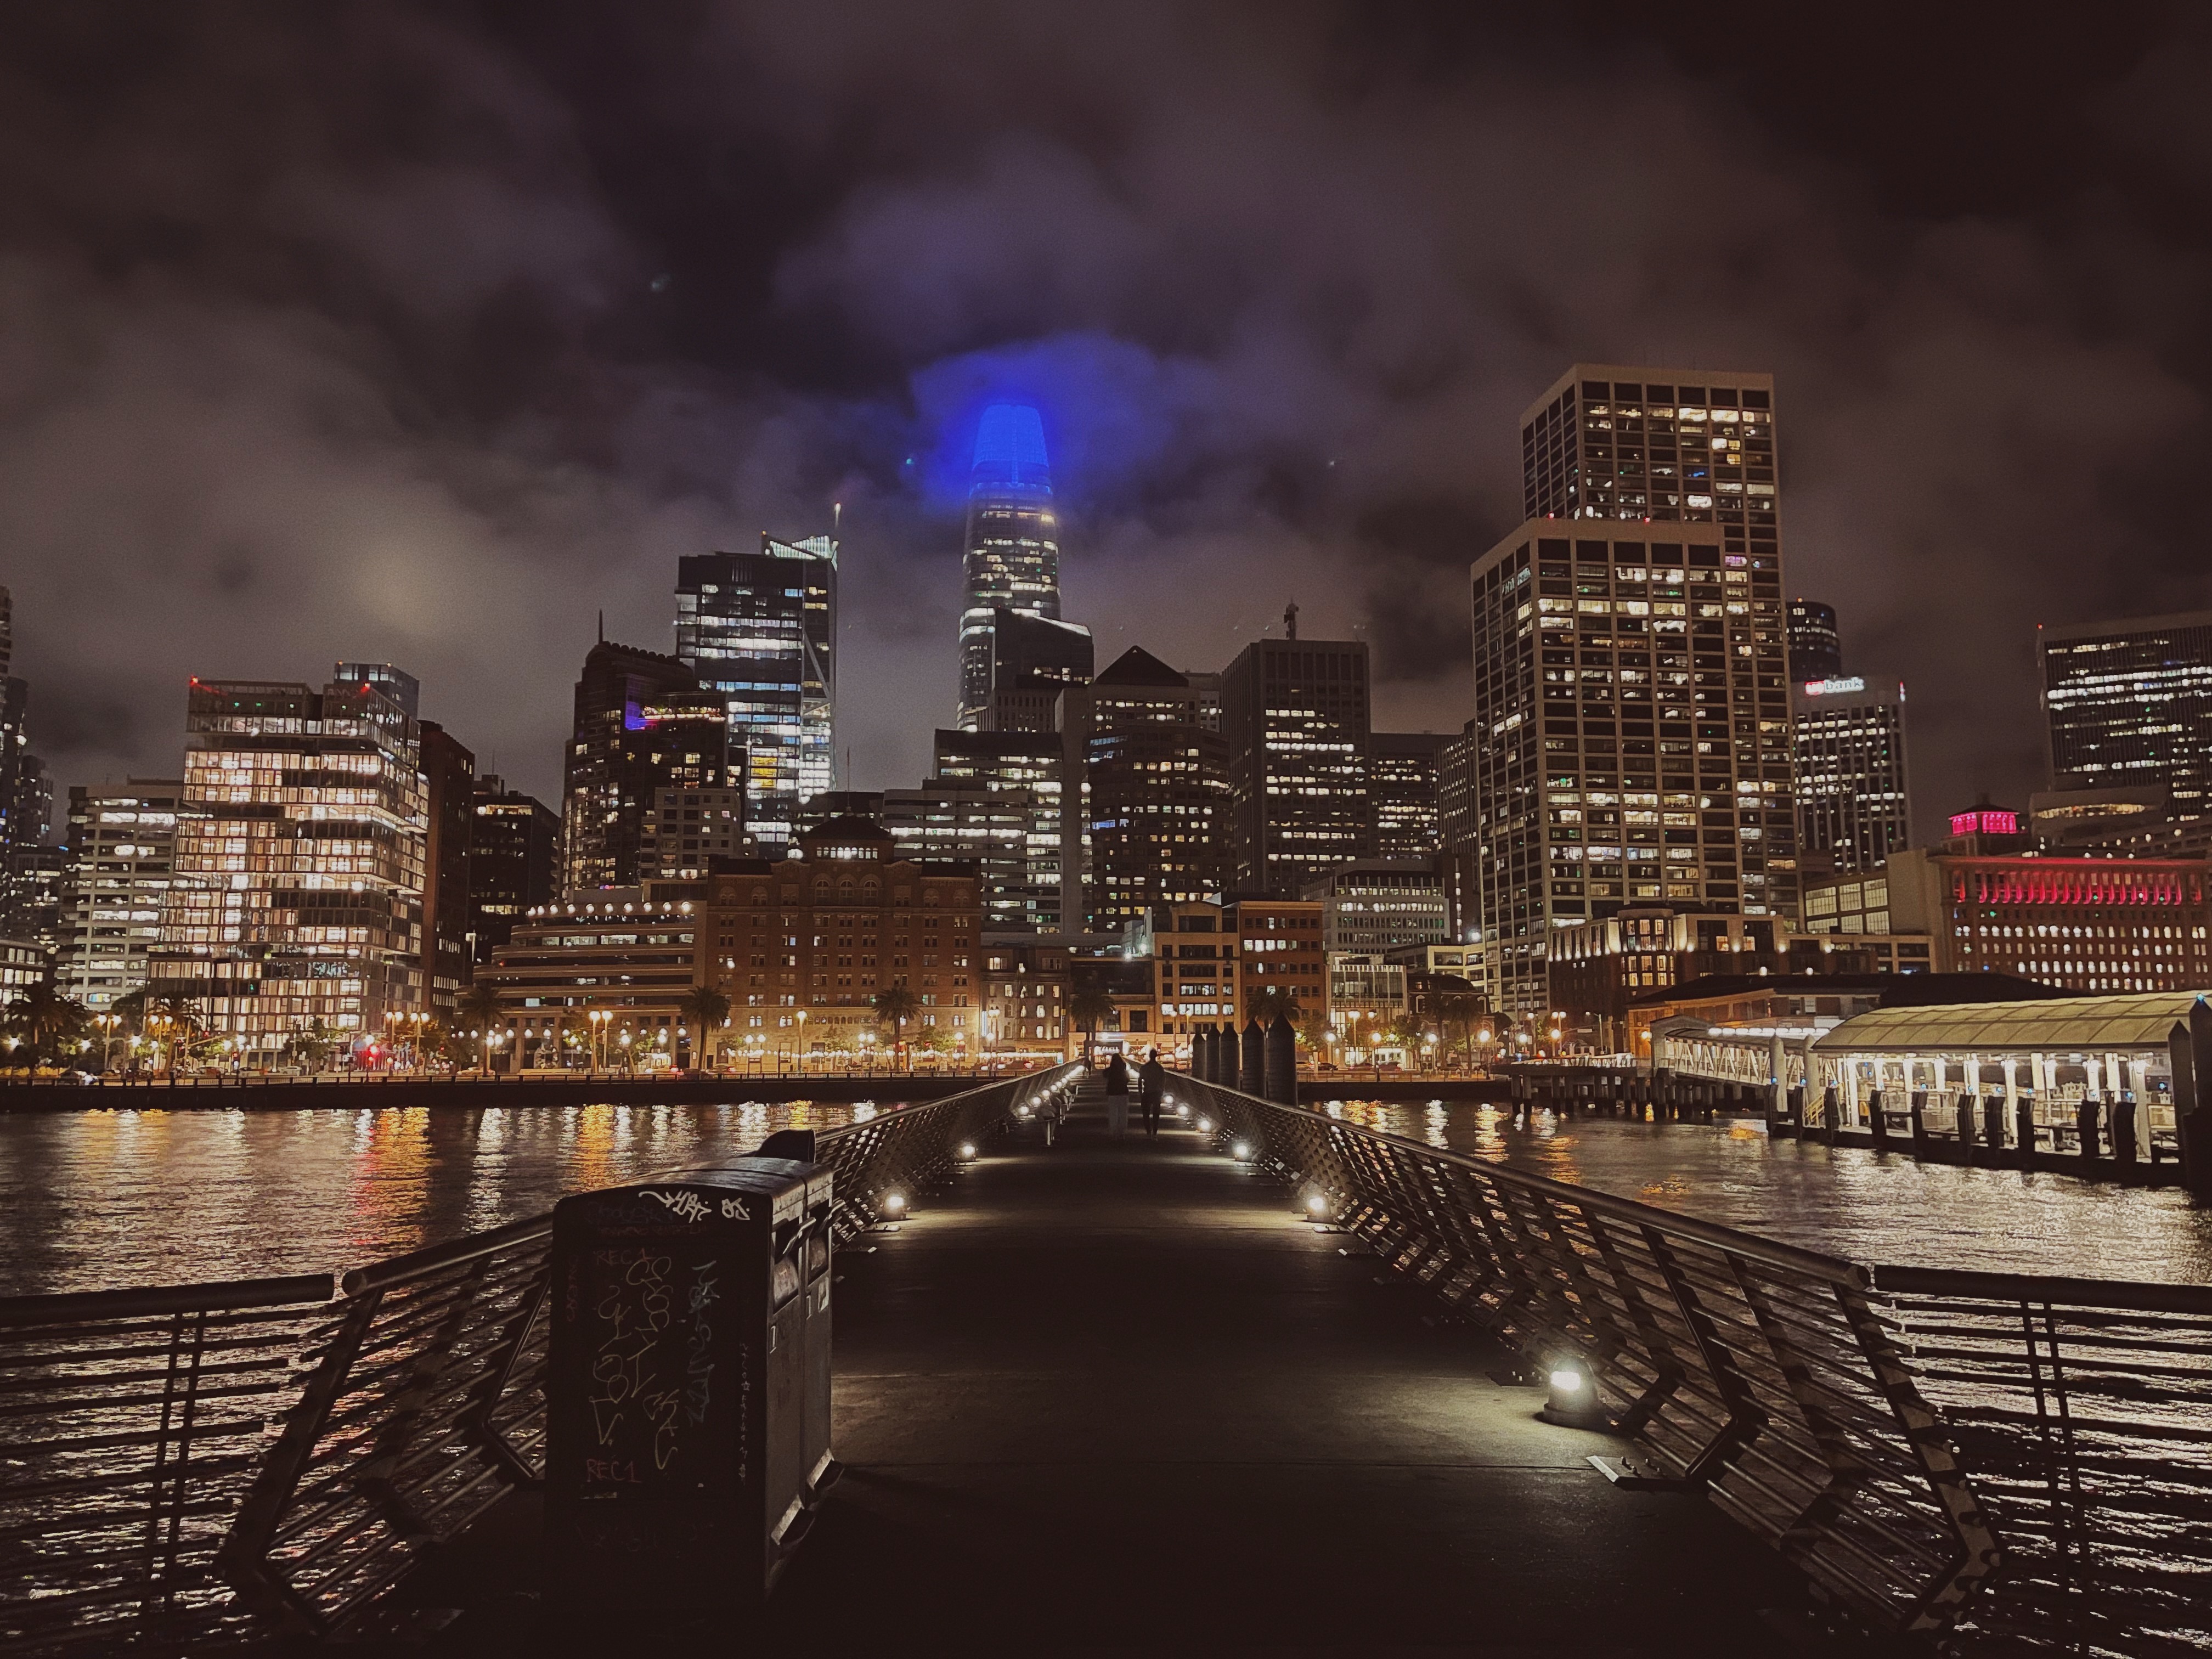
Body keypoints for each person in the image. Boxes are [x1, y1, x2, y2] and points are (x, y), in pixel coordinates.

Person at [1138, 1048, 1166, 1138]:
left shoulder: (1144, 1068)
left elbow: (1140, 1080)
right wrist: (1162, 1090)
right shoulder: (1160, 1068)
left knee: (1146, 1113)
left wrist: (1140, 1092)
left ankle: (1148, 1131)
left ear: (1150, 1056)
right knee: (1156, 1113)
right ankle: (1155, 1132)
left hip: (1147, 1092)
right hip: (1157, 1092)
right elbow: (1163, 1080)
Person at [1103, 1051, 1131, 1137]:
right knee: (1123, 1113)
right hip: (1123, 1093)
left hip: (1112, 1093)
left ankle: (1113, 1132)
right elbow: (1127, 1080)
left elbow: (1104, 1074)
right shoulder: (1124, 1070)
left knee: (1113, 1113)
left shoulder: (1110, 1071)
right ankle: (1122, 1132)